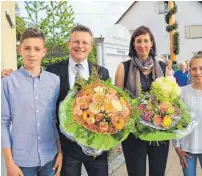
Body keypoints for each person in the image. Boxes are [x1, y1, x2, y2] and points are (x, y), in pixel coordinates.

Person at [1, 25, 110, 176]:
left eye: (85, 42)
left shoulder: (102, 73)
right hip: (65, 150)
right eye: (76, 41)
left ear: (91, 46)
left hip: (94, 149)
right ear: (69, 44)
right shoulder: (53, 72)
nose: (80, 46)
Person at [1, 28, 63, 176]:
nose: (32, 53)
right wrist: (9, 162)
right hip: (21, 162)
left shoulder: (54, 81)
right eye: (27, 48)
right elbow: (3, 123)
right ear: (20, 50)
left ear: (44, 51)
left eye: (37, 49)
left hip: (50, 159)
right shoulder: (7, 82)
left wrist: (60, 152)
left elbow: (55, 120)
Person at [115, 26, 169, 176]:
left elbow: (170, 101)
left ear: (152, 43)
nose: (142, 44)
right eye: (138, 41)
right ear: (133, 44)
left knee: (158, 173)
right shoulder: (123, 68)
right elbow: (116, 102)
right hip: (134, 134)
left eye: (146, 40)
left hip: (159, 132)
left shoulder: (163, 68)